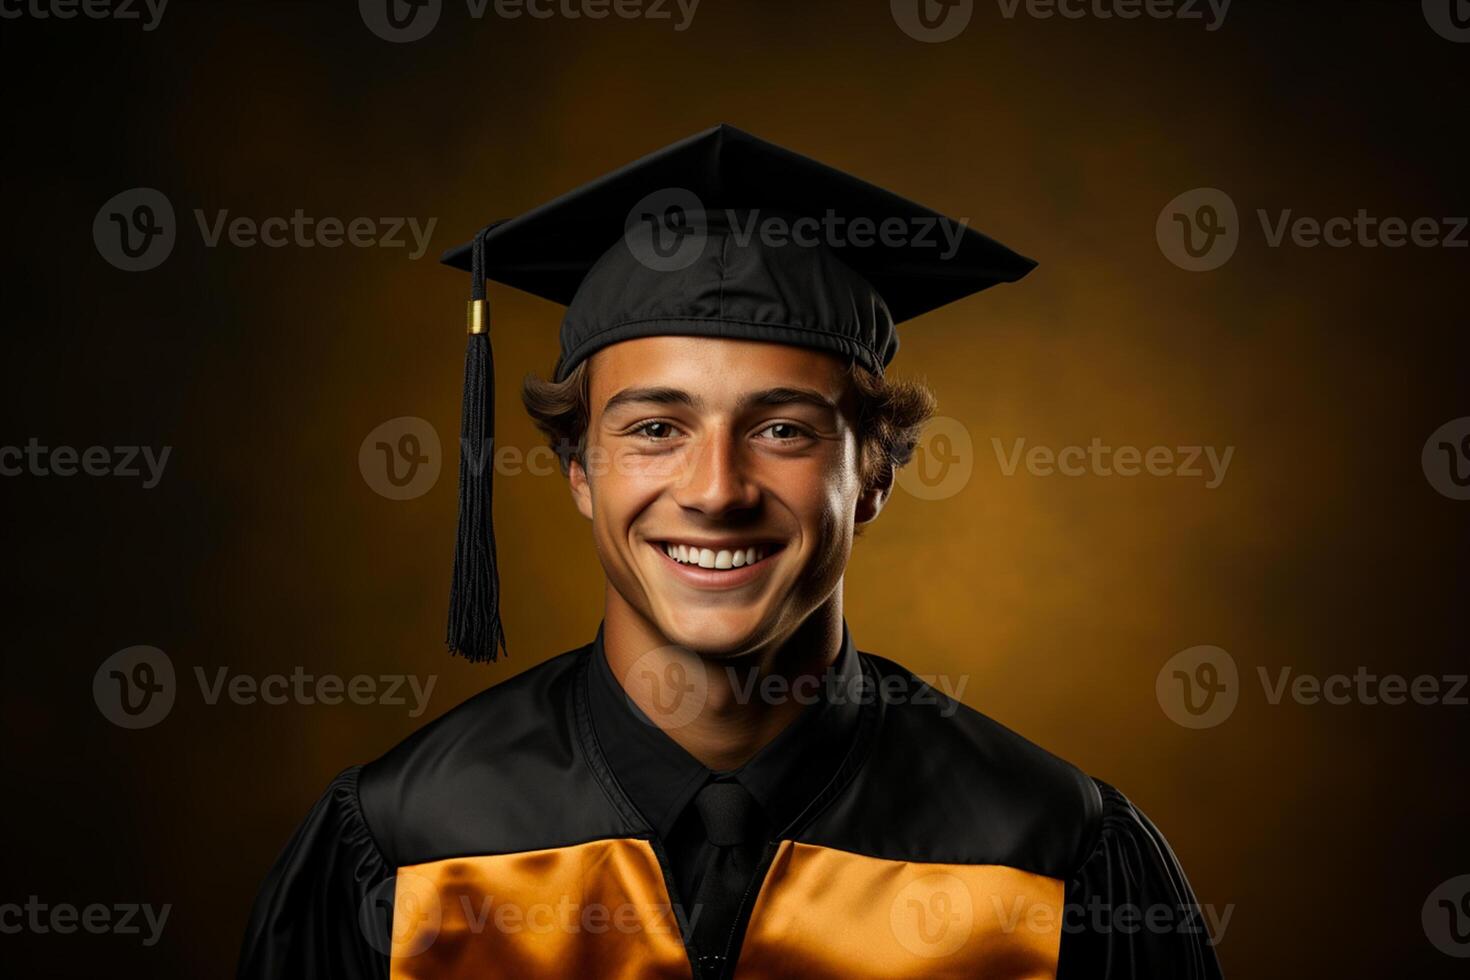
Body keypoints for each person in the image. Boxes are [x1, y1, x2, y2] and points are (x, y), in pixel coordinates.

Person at [238, 124, 1224, 979]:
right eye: (655, 428)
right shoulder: (405, 843)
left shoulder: (1049, 850)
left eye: (785, 430)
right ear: (580, 469)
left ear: (874, 472)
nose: (715, 489)